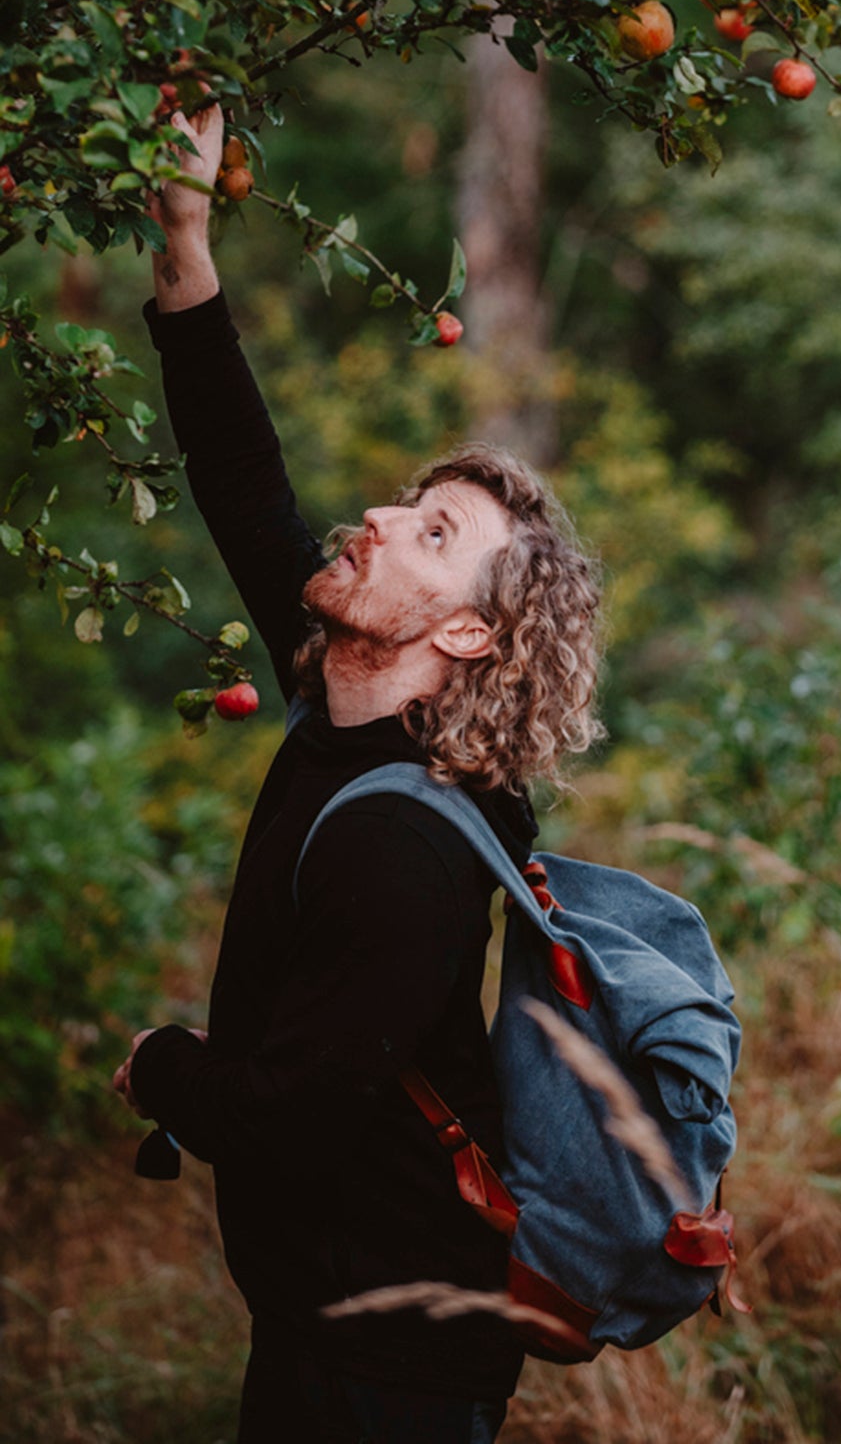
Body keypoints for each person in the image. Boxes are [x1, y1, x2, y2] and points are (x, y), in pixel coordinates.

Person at [111, 102, 603, 1444]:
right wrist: (183, 231)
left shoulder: (417, 846)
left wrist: (160, 1067)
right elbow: (241, 477)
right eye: (406, 503)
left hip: (392, 1368)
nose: (380, 518)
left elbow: (287, 1125)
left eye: (431, 533)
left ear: (462, 632)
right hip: (331, 1326)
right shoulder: (342, 689)